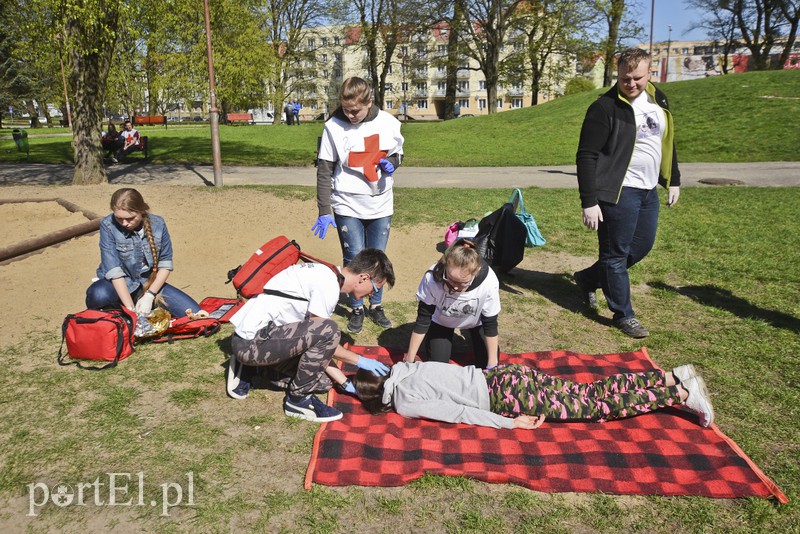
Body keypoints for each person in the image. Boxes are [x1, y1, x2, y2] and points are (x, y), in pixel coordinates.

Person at [574, 47, 681, 338]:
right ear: (617, 74)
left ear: (650, 73)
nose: (631, 84)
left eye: (637, 78)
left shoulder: (658, 99)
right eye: (624, 79)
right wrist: (589, 201)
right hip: (618, 191)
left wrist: (673, 179)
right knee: (615, 254)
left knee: (640, 247)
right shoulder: (604, 107)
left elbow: (667, 142)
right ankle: (624, 314)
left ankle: (587, 278)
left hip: (648, 190)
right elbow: (586, 155)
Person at [229, 248, 396, 422]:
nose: (372, 295)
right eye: (376, 289)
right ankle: (298, 400)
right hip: (251, 344)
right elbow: (324, 337)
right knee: (329, 330)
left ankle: (254, 368)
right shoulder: (328, 284)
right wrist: (360, 360)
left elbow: (318, 347)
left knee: (323, 382)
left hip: (265, 338)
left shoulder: (327, 274)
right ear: (364, 278)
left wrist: (345, 383)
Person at [352, 360, 715, 429]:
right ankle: (670, 377)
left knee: (596, 407)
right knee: (589, 391)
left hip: (507, 399)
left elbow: (458, 413)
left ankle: (682, 394)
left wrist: (510, 424)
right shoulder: (406, 367)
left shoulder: (403, 401)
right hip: (507, 375)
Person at [312, 76, 404, 334]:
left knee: (377, 258)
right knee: (354, 257)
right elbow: (324, 170)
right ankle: (356, 308)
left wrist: (392, 164)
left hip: (380, 203)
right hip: (347, 203)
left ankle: (375, 304)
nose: (350, 115)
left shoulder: (388, 123)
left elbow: (398, 154)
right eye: (346, 109)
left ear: (369, 102)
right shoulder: (333, 126)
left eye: (356, 110)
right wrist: (324, 210)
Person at [85, 188, 201, 318]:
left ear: (141, 211)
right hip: (118, 285)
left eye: (130, 218)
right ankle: (120, 309)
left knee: (195, 312)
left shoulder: (158, 224)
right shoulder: (107, 225)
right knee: (99, 294)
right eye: (119, 218)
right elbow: (114, 272)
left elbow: (165, 264)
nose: (124, 223)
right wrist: (131, 311)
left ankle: (143, 304)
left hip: (147, 283)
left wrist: (150, 295)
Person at [404, 238, 501, 369]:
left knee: (488, 361)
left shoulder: (489, 281)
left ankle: (473, 336)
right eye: (450, 279)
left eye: (462, 283)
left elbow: (490, 324)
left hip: (476, 323)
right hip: (441, 322)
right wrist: (409, 359)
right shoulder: (432, 278)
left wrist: (492, 365)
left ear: (476, 272)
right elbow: (423, 320)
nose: (455, 287)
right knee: (438, 366)